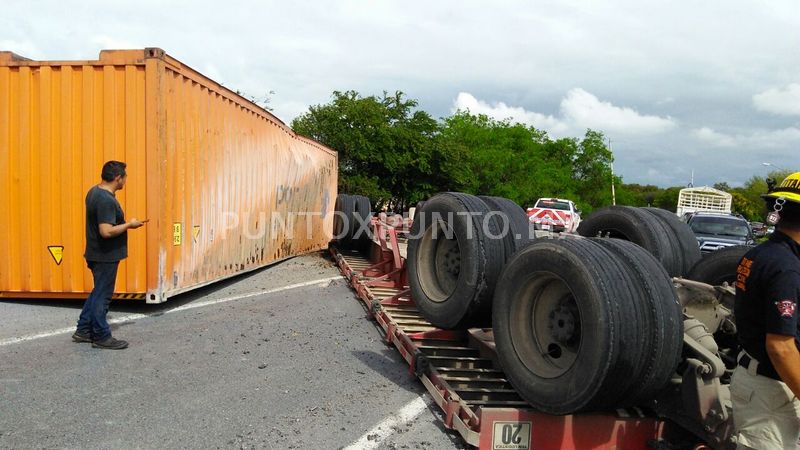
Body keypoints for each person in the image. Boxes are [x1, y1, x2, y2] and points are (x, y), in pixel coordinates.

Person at [732, 171, 800, 449]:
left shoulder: (760, 254)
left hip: (765, 381)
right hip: (770, 392)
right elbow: (781, 347)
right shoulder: (786, 268)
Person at [72, 161, 146, 350]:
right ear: (117, 178)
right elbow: (106, 231)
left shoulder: (93, 192)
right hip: (105, 255)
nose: (126, 180)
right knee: (103, 296)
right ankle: (101, 336)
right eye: (125, 177)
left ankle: (83, 330)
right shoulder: (105, 200)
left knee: (98, 291)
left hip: (96, 252)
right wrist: (130, 224)